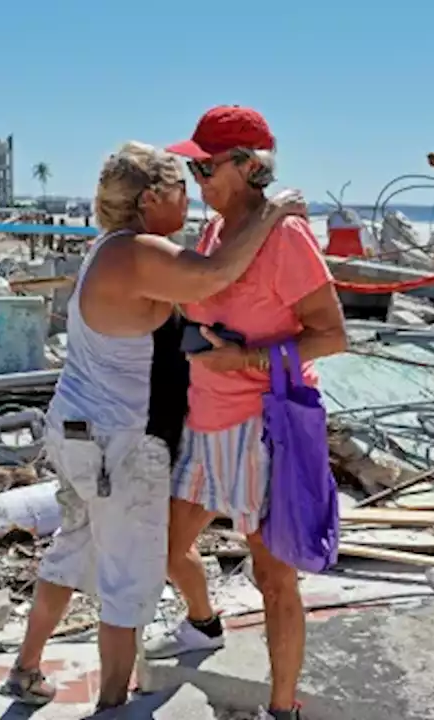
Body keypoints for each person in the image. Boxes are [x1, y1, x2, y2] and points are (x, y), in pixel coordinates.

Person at [1, 140, 305, 712]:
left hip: (75, 431)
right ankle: (112, 706)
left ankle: (25, 670)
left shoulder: (107, 251)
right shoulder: (138, 253)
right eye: (180, 189)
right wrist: (274, 209)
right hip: (120, 442)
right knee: (128, 585)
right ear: (150, 198)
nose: (190, 200)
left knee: (73, 549)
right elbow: (214, 275)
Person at [145, 107, 348, 720]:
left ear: (248, 166)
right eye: (193, 164)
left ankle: (283, 709)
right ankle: (204, 624)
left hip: (262, 429)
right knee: (167, 547)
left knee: (273, 579)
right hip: (207, 428)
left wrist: (247, 358)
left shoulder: (285, 238)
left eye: (206, 164)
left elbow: (332, 336)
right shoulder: (215, 232)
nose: (196, 174)